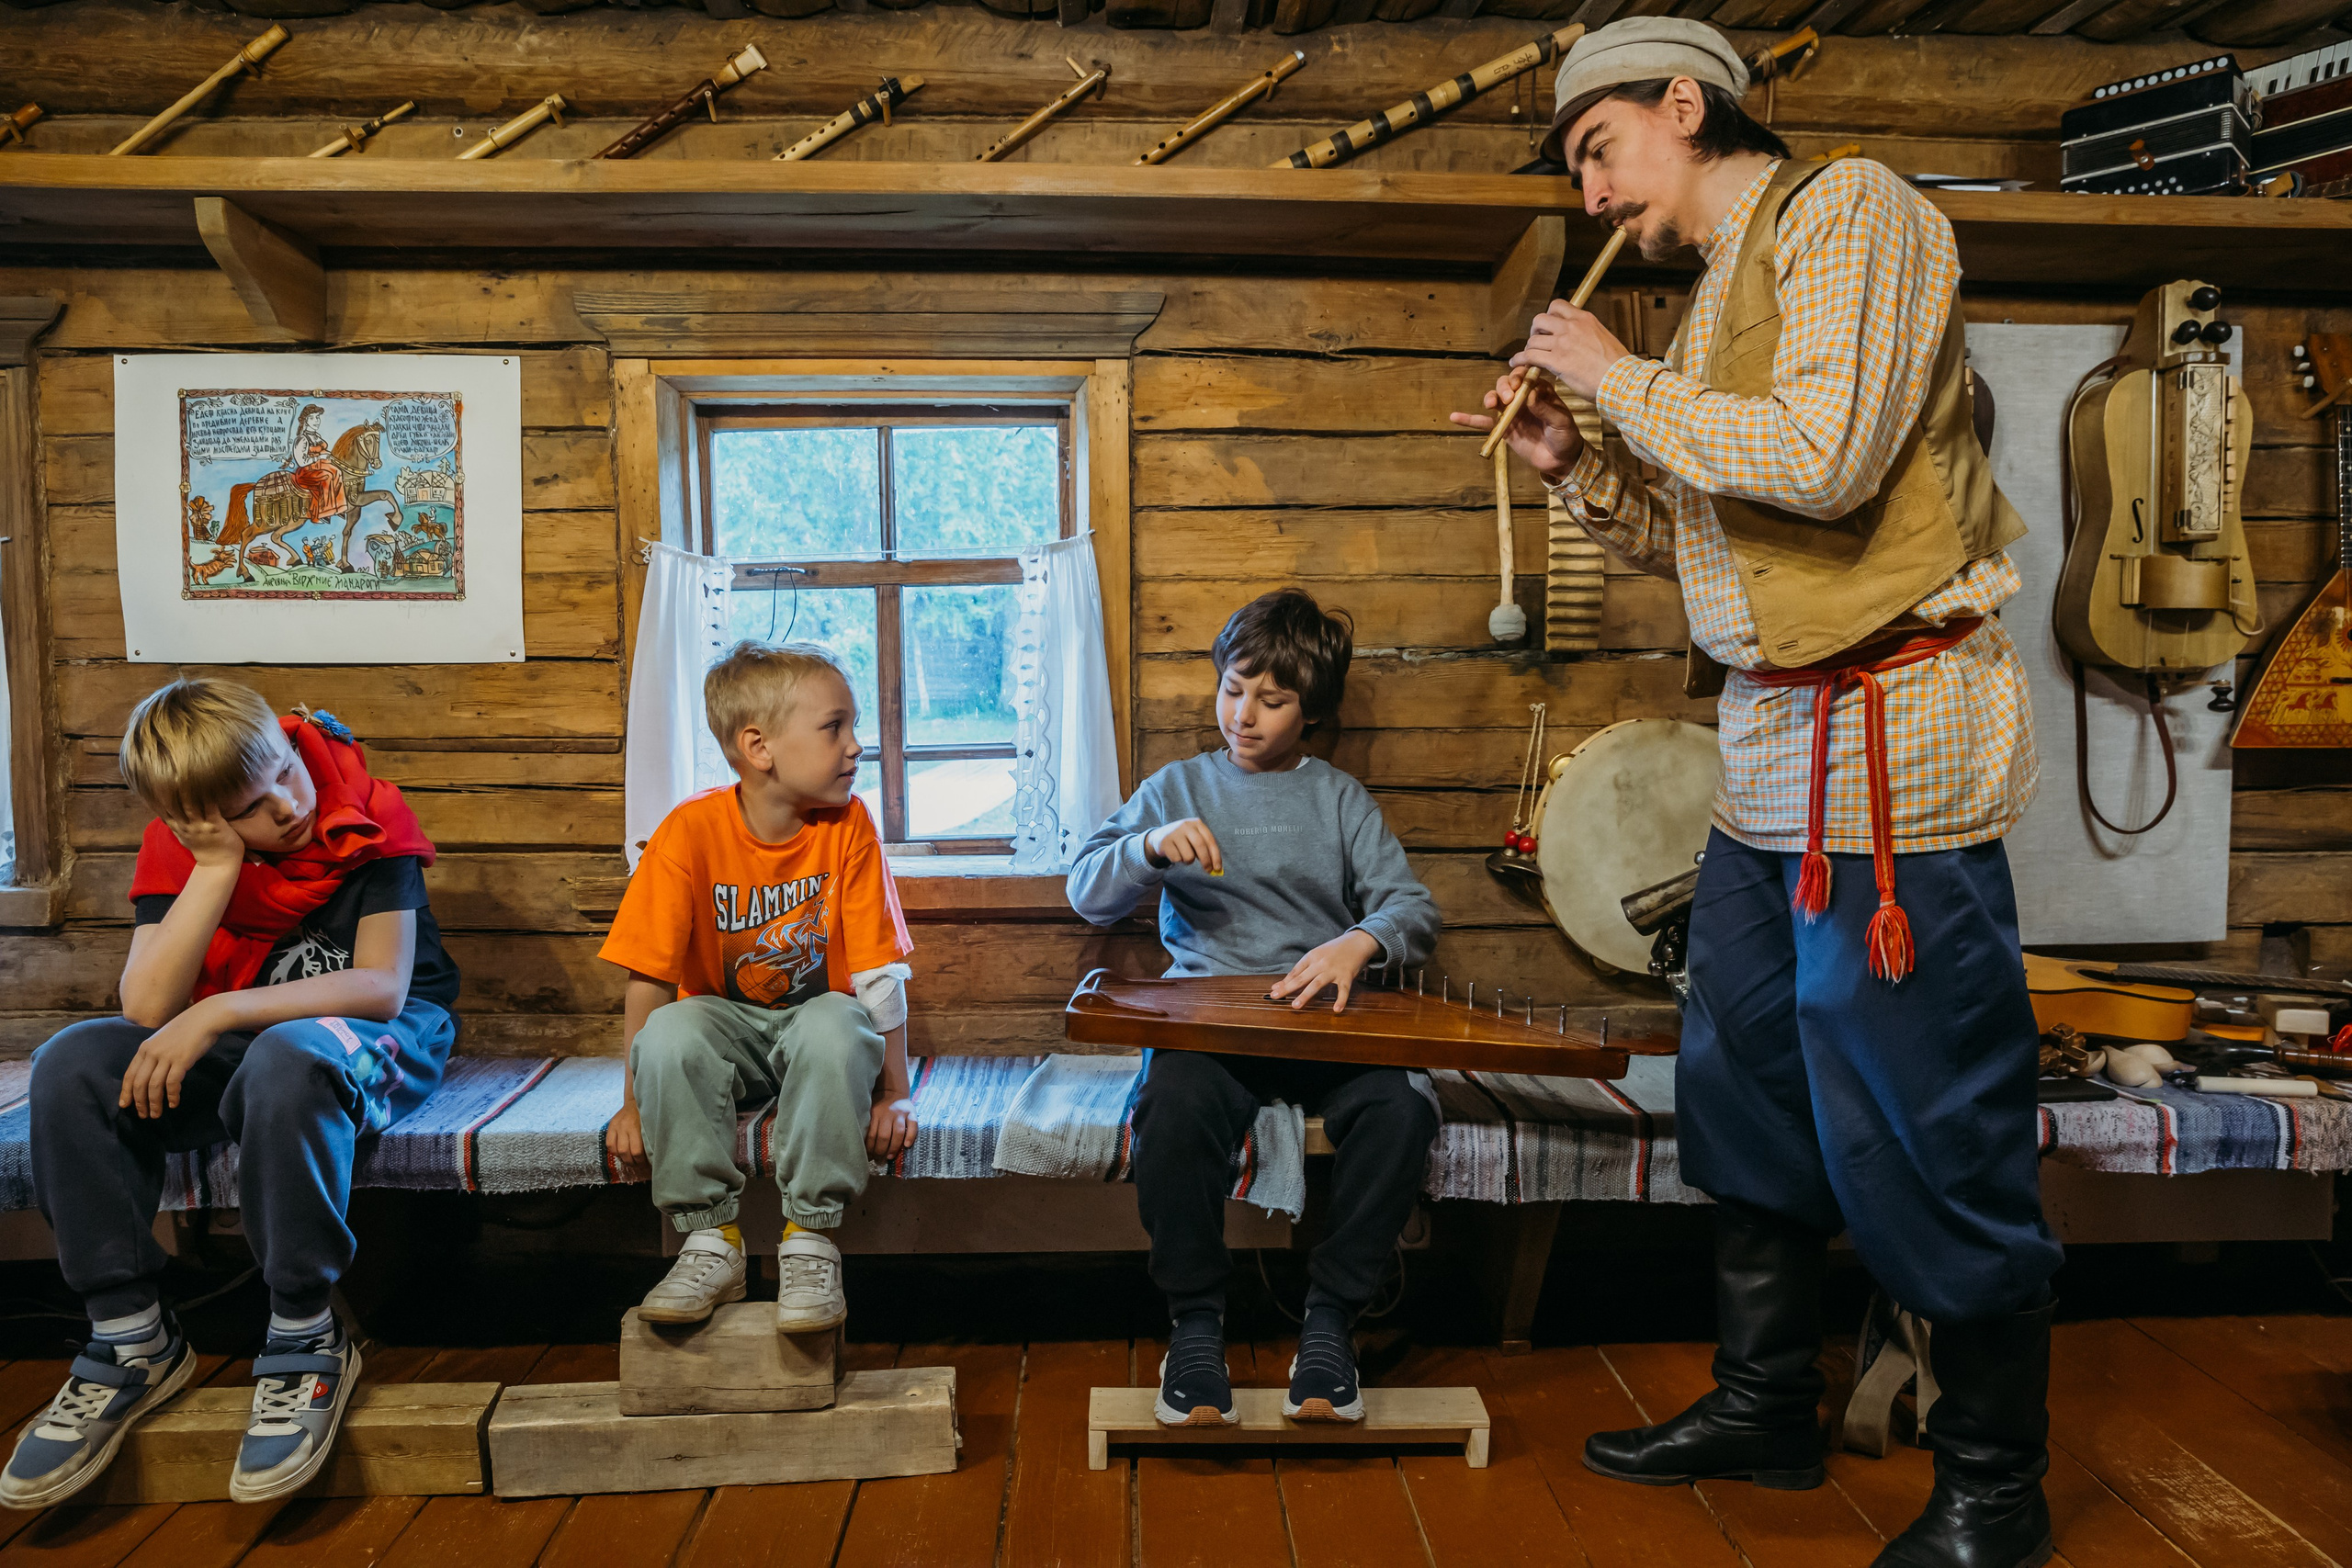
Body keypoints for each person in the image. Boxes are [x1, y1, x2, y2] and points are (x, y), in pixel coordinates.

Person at [1455, 19, 2058, 1568]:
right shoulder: (1721, 286)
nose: (1592, 195)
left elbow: (1824, 459)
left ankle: (1995, 1483)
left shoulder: (1854, 209)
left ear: (1687, 101)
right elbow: (1727, 550)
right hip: (1769, 755)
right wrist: (1577, 462)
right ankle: (1765, 1401)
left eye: (1599, 149)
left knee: (1929, 1109)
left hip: (1894, 745)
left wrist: (1616, 375)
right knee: (1747, 1085)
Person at [6, 681, 458, 1508]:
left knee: (286, 1059)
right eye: (250, 808)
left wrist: (216, 1010)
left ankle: (305, 1326)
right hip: (244, 1037)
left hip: (377, 1034)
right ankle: (130, 1335)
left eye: (286, 769)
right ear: (193, 822)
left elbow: (382, 987)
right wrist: (216, 868)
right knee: (73, 1062)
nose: (288, 804)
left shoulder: (365, 809)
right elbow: (147, 1006)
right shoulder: (182, 851)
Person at [1068, 589, 1441, 1428]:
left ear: (1312, 711)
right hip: (1209, 1024)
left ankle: (1331, 1322)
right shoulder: (1177, 786)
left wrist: (1359, 942)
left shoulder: (1339, 798)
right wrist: (1146, 846)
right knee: (1170, 1105)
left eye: (1271, 700)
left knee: (1403, 1108)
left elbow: (1413, 908)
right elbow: (1086, 890)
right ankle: (1196, 1327)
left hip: (1324, 1023)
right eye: (1233, 689)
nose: (1243, 714)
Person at [602, 641, 917, 1334]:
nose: (856, 745)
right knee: (671, 1031)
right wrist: (632, 1103)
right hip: (729, 1036)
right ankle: (711, 1242)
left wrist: (894, 1093)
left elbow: (878, 975)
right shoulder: (688, 832)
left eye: (853, 725)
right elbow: (649, 977)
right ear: (758, 747)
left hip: (820, 1037)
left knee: (834, 1021)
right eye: (834, 727)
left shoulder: (850, 825)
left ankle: (810, 1241)